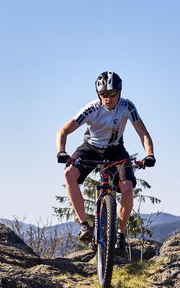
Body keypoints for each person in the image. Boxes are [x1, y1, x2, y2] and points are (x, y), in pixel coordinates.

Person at [56, 71, 156, 253]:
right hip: (90, 148)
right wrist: (61, 151)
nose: (108, 99)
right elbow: (63, 131)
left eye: (112, 94)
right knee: (68, 174)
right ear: (98, 94)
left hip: (116, 150)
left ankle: (120, 235)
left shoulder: (127, 106)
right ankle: (84, 226)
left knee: (126, 188)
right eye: (104, 95)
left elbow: (144, 134)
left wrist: (149, 154)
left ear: (119, 92)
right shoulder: (91, 109)